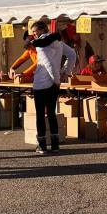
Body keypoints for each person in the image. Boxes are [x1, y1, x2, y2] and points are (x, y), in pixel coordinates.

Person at [28, 21, 76, 154]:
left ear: (43, 30)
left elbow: (48, 64)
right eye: (33, 33)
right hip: (53, 83)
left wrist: (57, 79)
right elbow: (72, 54)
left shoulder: (41, 45)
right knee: (51, 113)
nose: (35, 35)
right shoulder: (58, 42)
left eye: (36, 32)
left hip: (42, 83)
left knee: (40, 114)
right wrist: (66, 71)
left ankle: (42, 145)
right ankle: (55, 144)